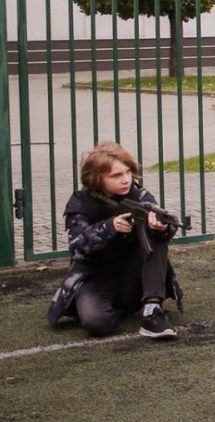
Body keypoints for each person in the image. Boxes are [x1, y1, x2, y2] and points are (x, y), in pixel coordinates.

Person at [45, 141, 182, 339]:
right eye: (116, 175)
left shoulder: (140, 195)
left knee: (154, 235)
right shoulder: (81, 202)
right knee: (98, 324)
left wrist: (164, 227)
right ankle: (100, 307)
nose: (126, 179)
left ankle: (152, 310)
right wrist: (110, 227)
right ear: (97, 177)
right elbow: (77, 249)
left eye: (128, 172)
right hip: (95, 279)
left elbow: (163, 235)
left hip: (134, 279)